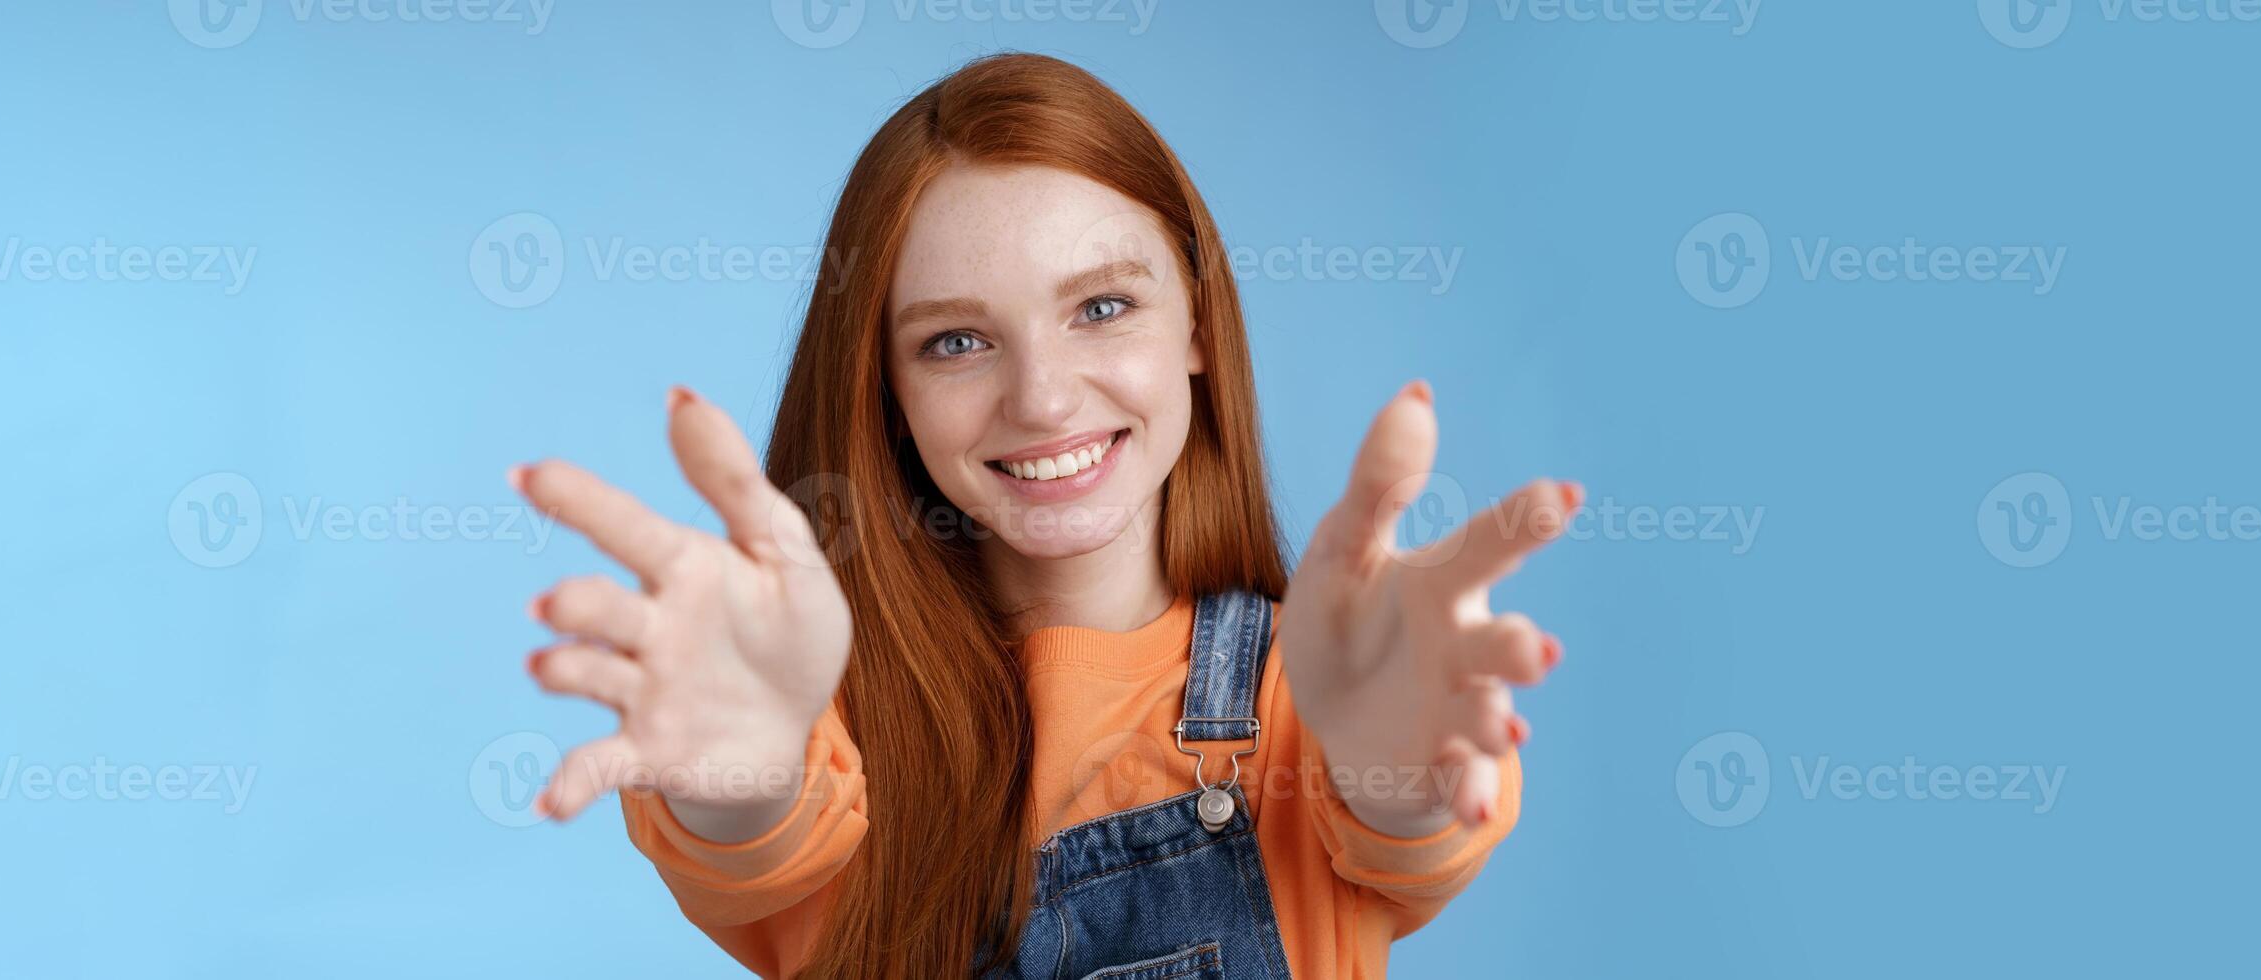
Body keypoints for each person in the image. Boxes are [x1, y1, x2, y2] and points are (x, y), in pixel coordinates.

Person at [505, 52, 1581, 979]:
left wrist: (1400, 768)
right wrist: (741, 781)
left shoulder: (1319, 695)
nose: (1043, 398)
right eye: (955, 341)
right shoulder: (815, 731)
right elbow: (754, 840)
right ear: (884, 388)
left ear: (1196, 324)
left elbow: (1407, 825)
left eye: (1100, 307)